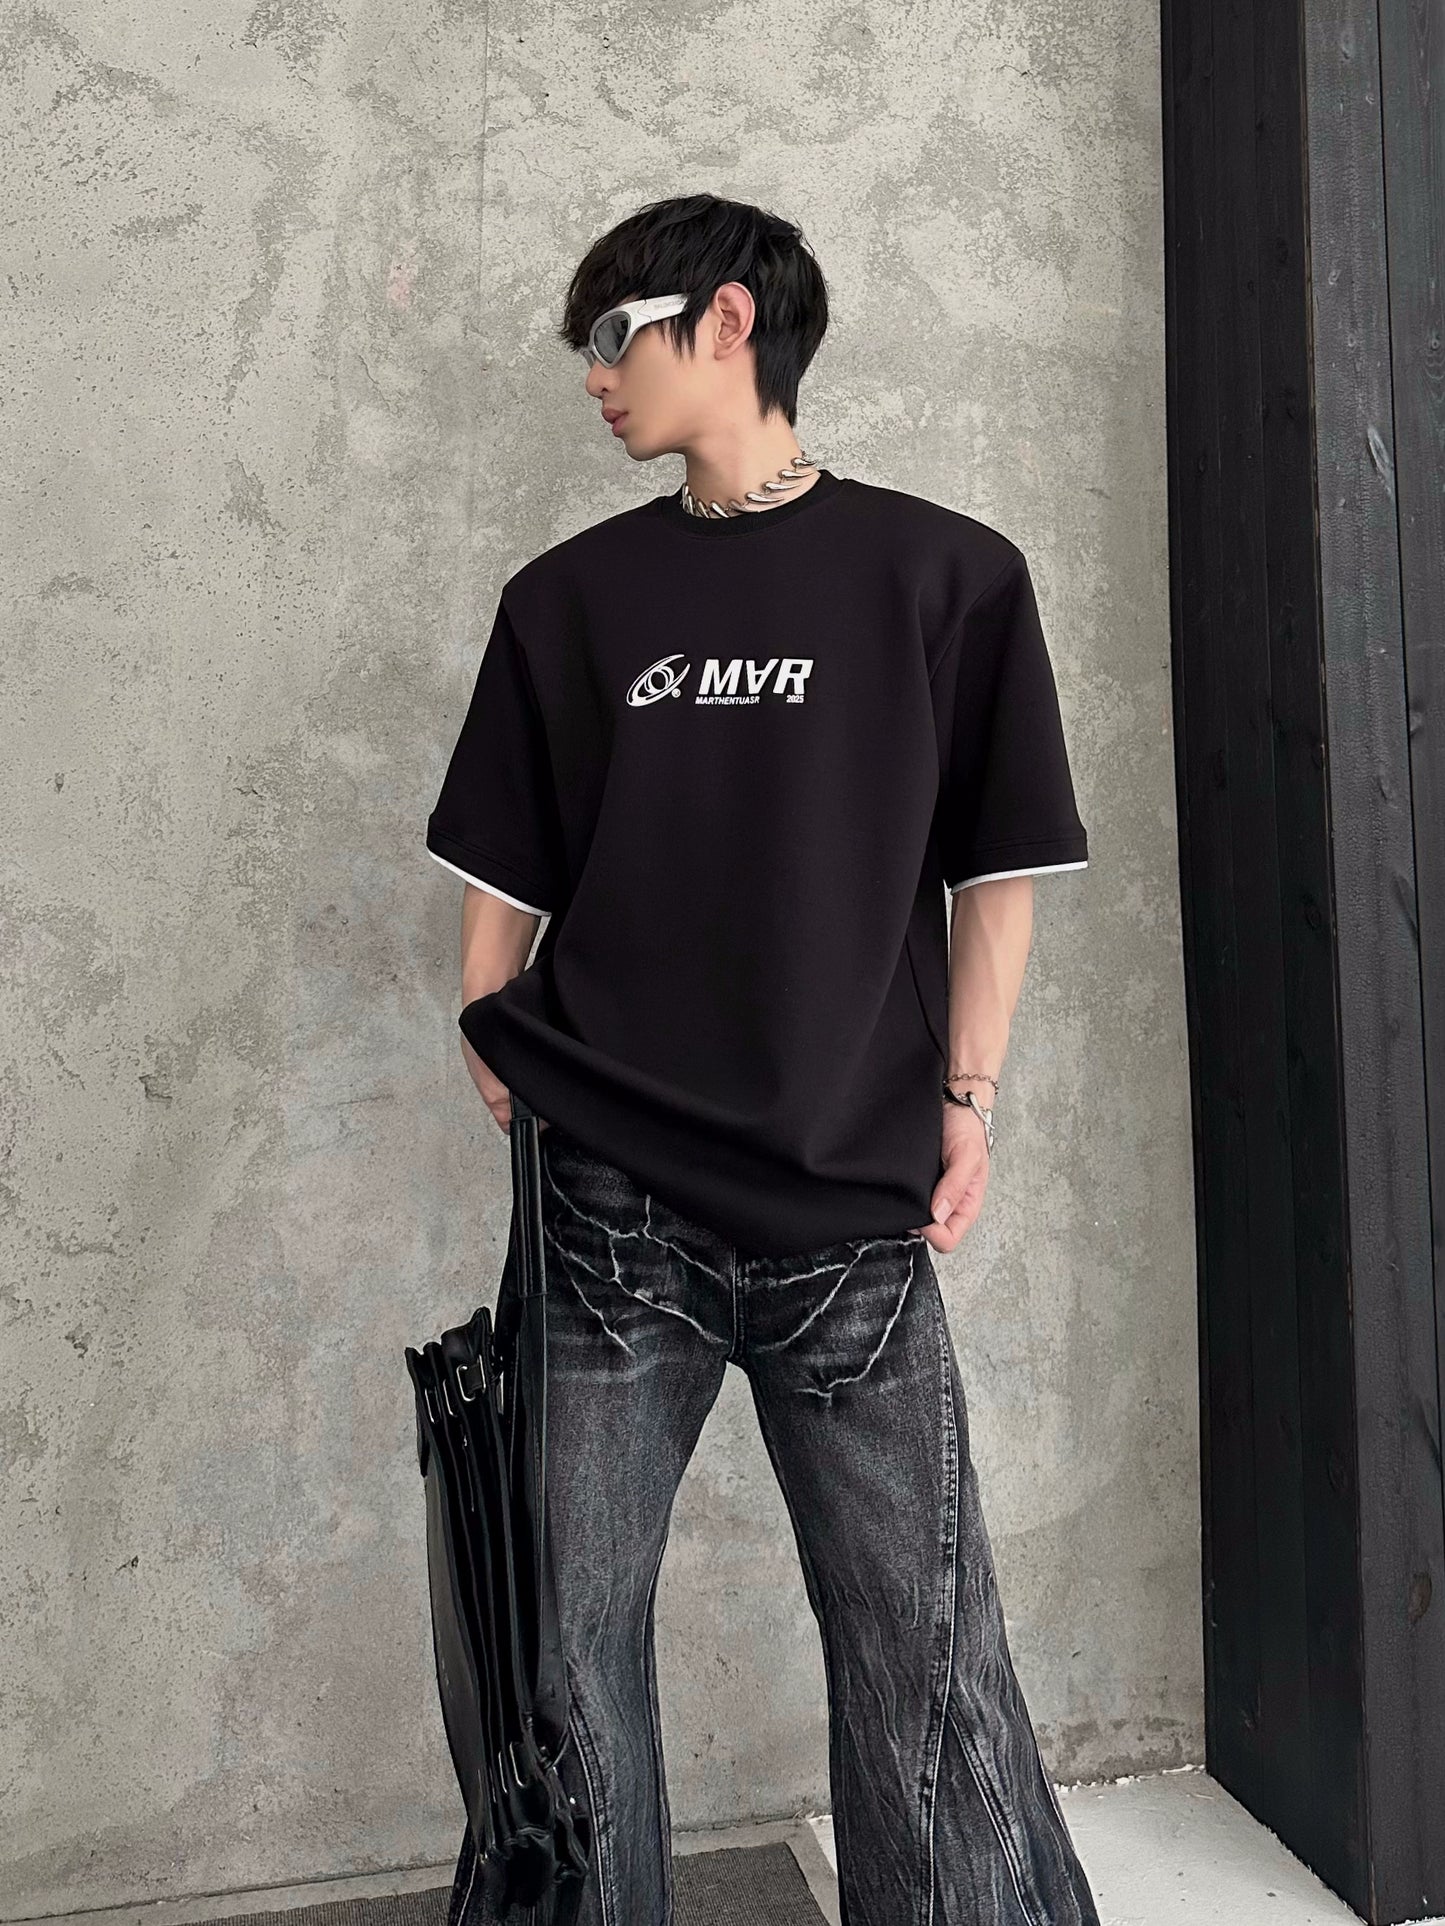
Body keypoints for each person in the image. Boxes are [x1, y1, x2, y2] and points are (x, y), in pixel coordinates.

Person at [427, 192, 1100, 1926]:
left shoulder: (946, 575)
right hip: (607, 1203)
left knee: (925, 1661)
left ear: (727, 320)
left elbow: (997, 869)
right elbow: (506, 851)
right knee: (564, 1666)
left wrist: (967, 1096)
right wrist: (487, 1012)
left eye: (611, 336)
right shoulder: (569, 598)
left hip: (847, 1201)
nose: (592, 378)